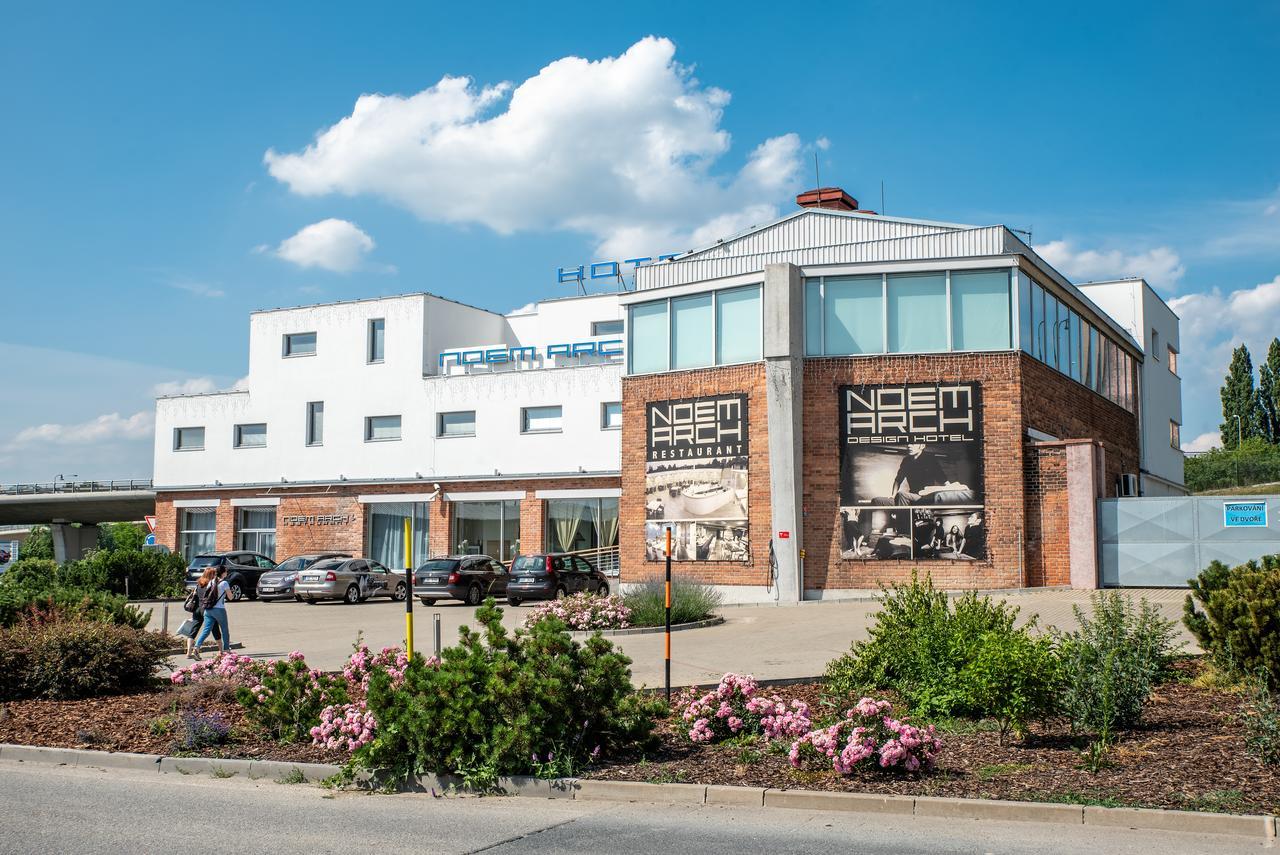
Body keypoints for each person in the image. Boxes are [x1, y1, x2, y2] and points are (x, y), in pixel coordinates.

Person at [191, 566, 231, 660]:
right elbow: (231, 597)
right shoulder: (224, 583)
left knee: (206, 630)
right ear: (223, 573)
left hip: (208, 609)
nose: (227, 573)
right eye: (226, 572)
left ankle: (196, 648)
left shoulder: (211, 581)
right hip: (219, 609)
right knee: (225, 630)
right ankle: (226, 650)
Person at [184, 580, 221, 658]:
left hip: (197, 610)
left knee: (194, 630)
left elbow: (195, 596)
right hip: (207, 610)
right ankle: (221, 651)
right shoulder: (211, 586)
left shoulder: (199, 584)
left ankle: (188, 652)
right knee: (215, 629)